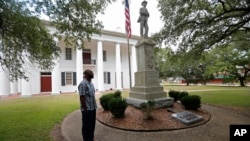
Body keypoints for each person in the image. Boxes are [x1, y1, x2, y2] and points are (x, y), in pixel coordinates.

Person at [78, 69, 97, 141]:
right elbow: (82, 97)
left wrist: (94, 107)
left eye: (92, 72)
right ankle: (86, 139)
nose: (92, 73)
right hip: (87, 109)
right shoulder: (83, 84)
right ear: (85, 74)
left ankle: (91, 139)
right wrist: (85, 109)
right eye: (90, 72)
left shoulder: (91, 84)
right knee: (86, 126)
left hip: (93, 108)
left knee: (92, 125)